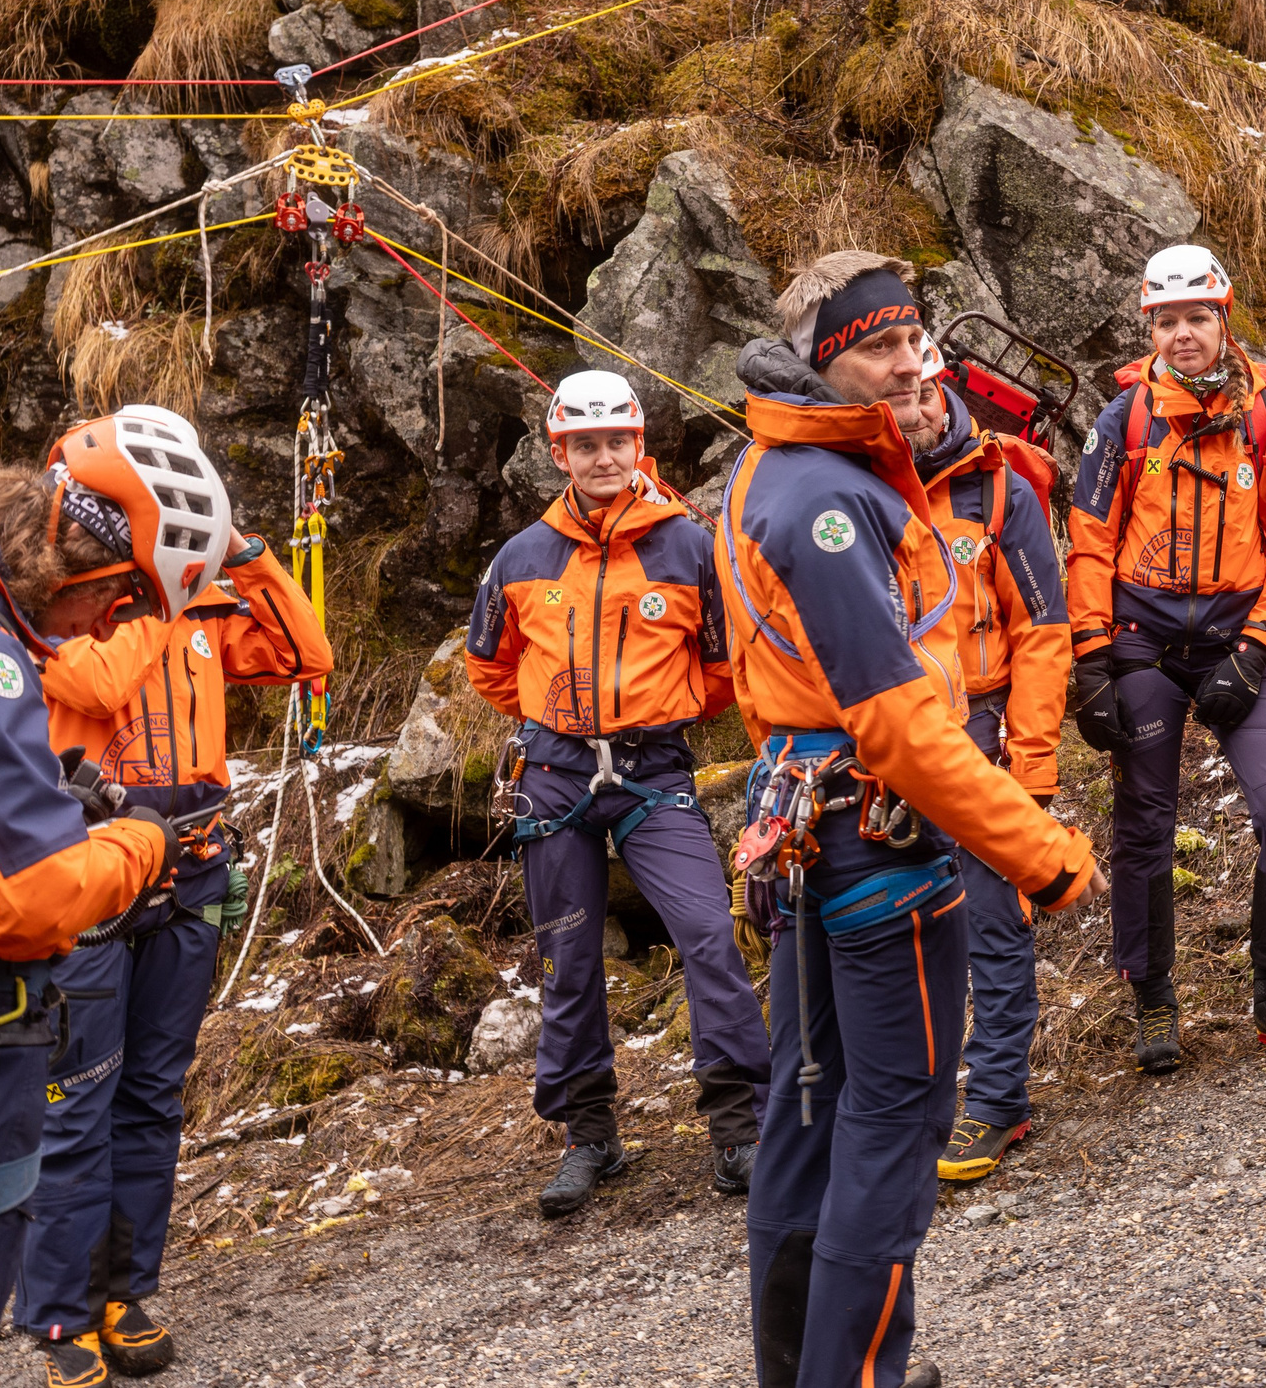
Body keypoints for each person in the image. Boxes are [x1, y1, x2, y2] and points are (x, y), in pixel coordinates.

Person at [719, 250, 1103, 1388]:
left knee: (809, 1110)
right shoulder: (829, 502)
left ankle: (802, 1369)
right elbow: (898, 724)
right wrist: (1041, 854)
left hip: (807, 822)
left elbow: (766, 685)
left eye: (914, 338)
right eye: (880, 345)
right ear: (823, 359)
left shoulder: (771, 465)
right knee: (894, 1119)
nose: (908, 362)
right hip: (874, 837)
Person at [20, 406, 326, 1385]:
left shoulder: (202, 609)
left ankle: (126, 1290)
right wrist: (168, 590)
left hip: (192, 871)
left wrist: (244, 555)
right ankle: (61, 1317)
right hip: (94, 878)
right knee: (78, 1103)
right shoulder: (52, 615)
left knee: (153, 1097)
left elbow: (305, 655)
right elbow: (98, 690)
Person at [464, 368, 765, 1218]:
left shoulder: (689, 546)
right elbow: (489, 664)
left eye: (617, 442)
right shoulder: (522, 556)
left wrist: (661, 711)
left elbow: (723, 665)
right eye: (586, 444)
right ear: (559, 452)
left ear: (640, 444)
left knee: (707, 931)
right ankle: (589, 1135)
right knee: (569, 960)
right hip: (553, 774)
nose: (603, 457)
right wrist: (554, 720)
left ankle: (739, 1129)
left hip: (653, 771)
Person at [0, 411, 210, 1388]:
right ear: (80, 558)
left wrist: (46, 796)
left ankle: (102, 1297)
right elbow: (32, 897)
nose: (113, 625)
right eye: (122, 597)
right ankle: (62, 1316)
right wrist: (138, 842)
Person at [1064, 244, 1266, 1073]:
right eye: (1166, 321)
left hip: (1238, 640)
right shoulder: (1123, 423)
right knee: (1144, 820)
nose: (1182, 334)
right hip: (1142, 643)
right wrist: (1091, 659)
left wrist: (1254, 652)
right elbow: (1089, 543)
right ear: (1148, 329)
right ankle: (1152, 997)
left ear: (1224, 319)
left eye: (1197, 318)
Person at [905, 337, 1072, 1185]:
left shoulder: (1000, 487)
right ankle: (908, 1101)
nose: (914, 412)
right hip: (887, 733)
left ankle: (999, 1098)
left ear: (946, 391)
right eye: (897, 398)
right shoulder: (853, 486)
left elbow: (1043, 632)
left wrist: (1031, 768)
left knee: (992, 918)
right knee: (895, 923)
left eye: (925, 393)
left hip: (979, 727)